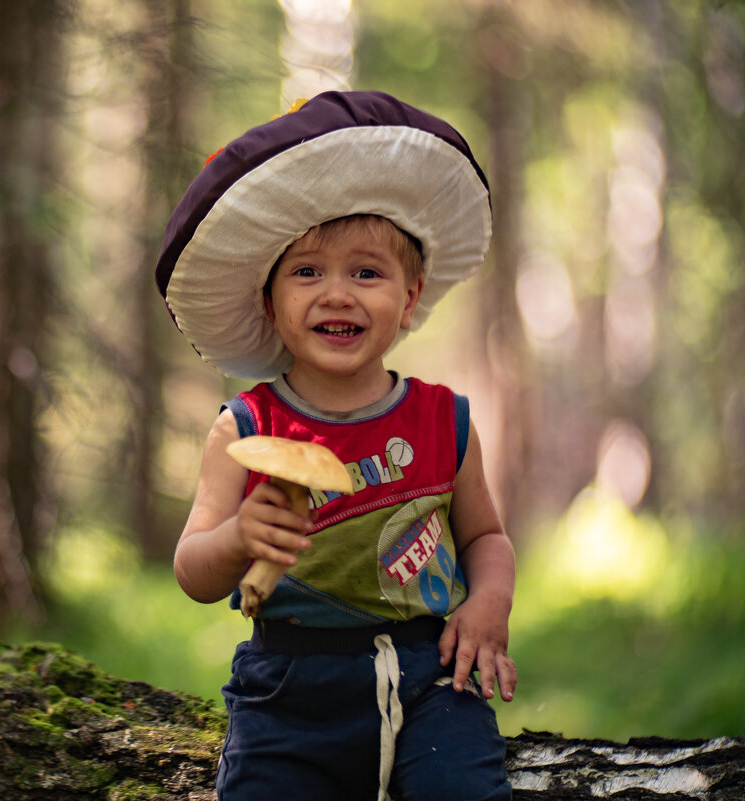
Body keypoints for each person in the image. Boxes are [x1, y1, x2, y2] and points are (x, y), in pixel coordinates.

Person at [155, 91, 517, 801]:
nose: (337, 294)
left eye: (367, 272)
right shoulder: (246, 428)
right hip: (288, 691)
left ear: (410, 298)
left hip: (431, 679)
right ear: (269, 302)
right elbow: (193, 570)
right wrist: (238, 536)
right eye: (306, 272)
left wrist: (489, 602)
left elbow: (486, 536)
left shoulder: (443, 420)